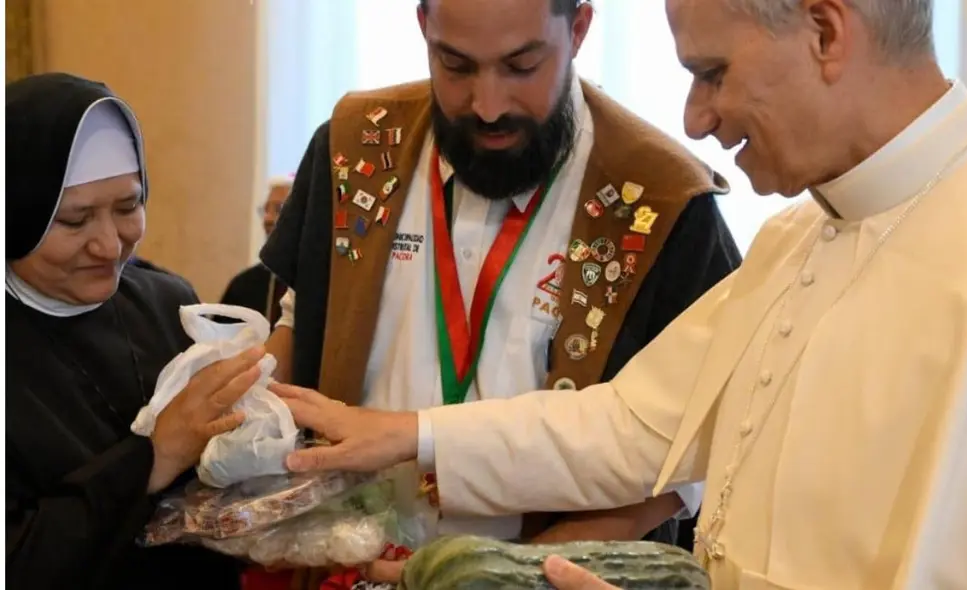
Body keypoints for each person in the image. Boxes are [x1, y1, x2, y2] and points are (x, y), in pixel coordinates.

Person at [269, 0, 967, 588]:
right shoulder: (795, 239)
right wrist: (412, 435)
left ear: (825, 30)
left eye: (712, 72)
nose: (696, 118)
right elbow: (633, 425)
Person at [258, 0, 740, 584]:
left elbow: (682, 461)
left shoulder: (663, 200)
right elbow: (300, 322)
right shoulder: (354, 146)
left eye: (522, 66)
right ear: (423, 28)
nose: (487, 106)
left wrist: (510, 572)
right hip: (341, 563)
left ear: (579, 30)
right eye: (455, 66)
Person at [5, 72, 265, 590]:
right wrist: (155, 456)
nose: (109, 246)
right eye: (74, 221)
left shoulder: (168, 301)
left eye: (128, 207)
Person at [219, 175, 293, 326]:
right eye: (265, 210)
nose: (268, 219)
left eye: (278, 209)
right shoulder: (243, 285)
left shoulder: (320, 281)